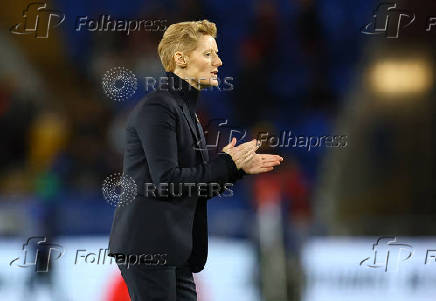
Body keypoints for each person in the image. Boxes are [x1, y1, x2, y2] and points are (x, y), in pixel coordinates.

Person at [108, 19, 283, 301]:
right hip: (149, 247)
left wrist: (236, 169)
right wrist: (228, 164)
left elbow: (195, 185)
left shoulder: (182, 110)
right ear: (181, 59)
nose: (219, 61)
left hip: (172, 250)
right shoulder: (158, 107)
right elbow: (168, 181)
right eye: (208, 54)